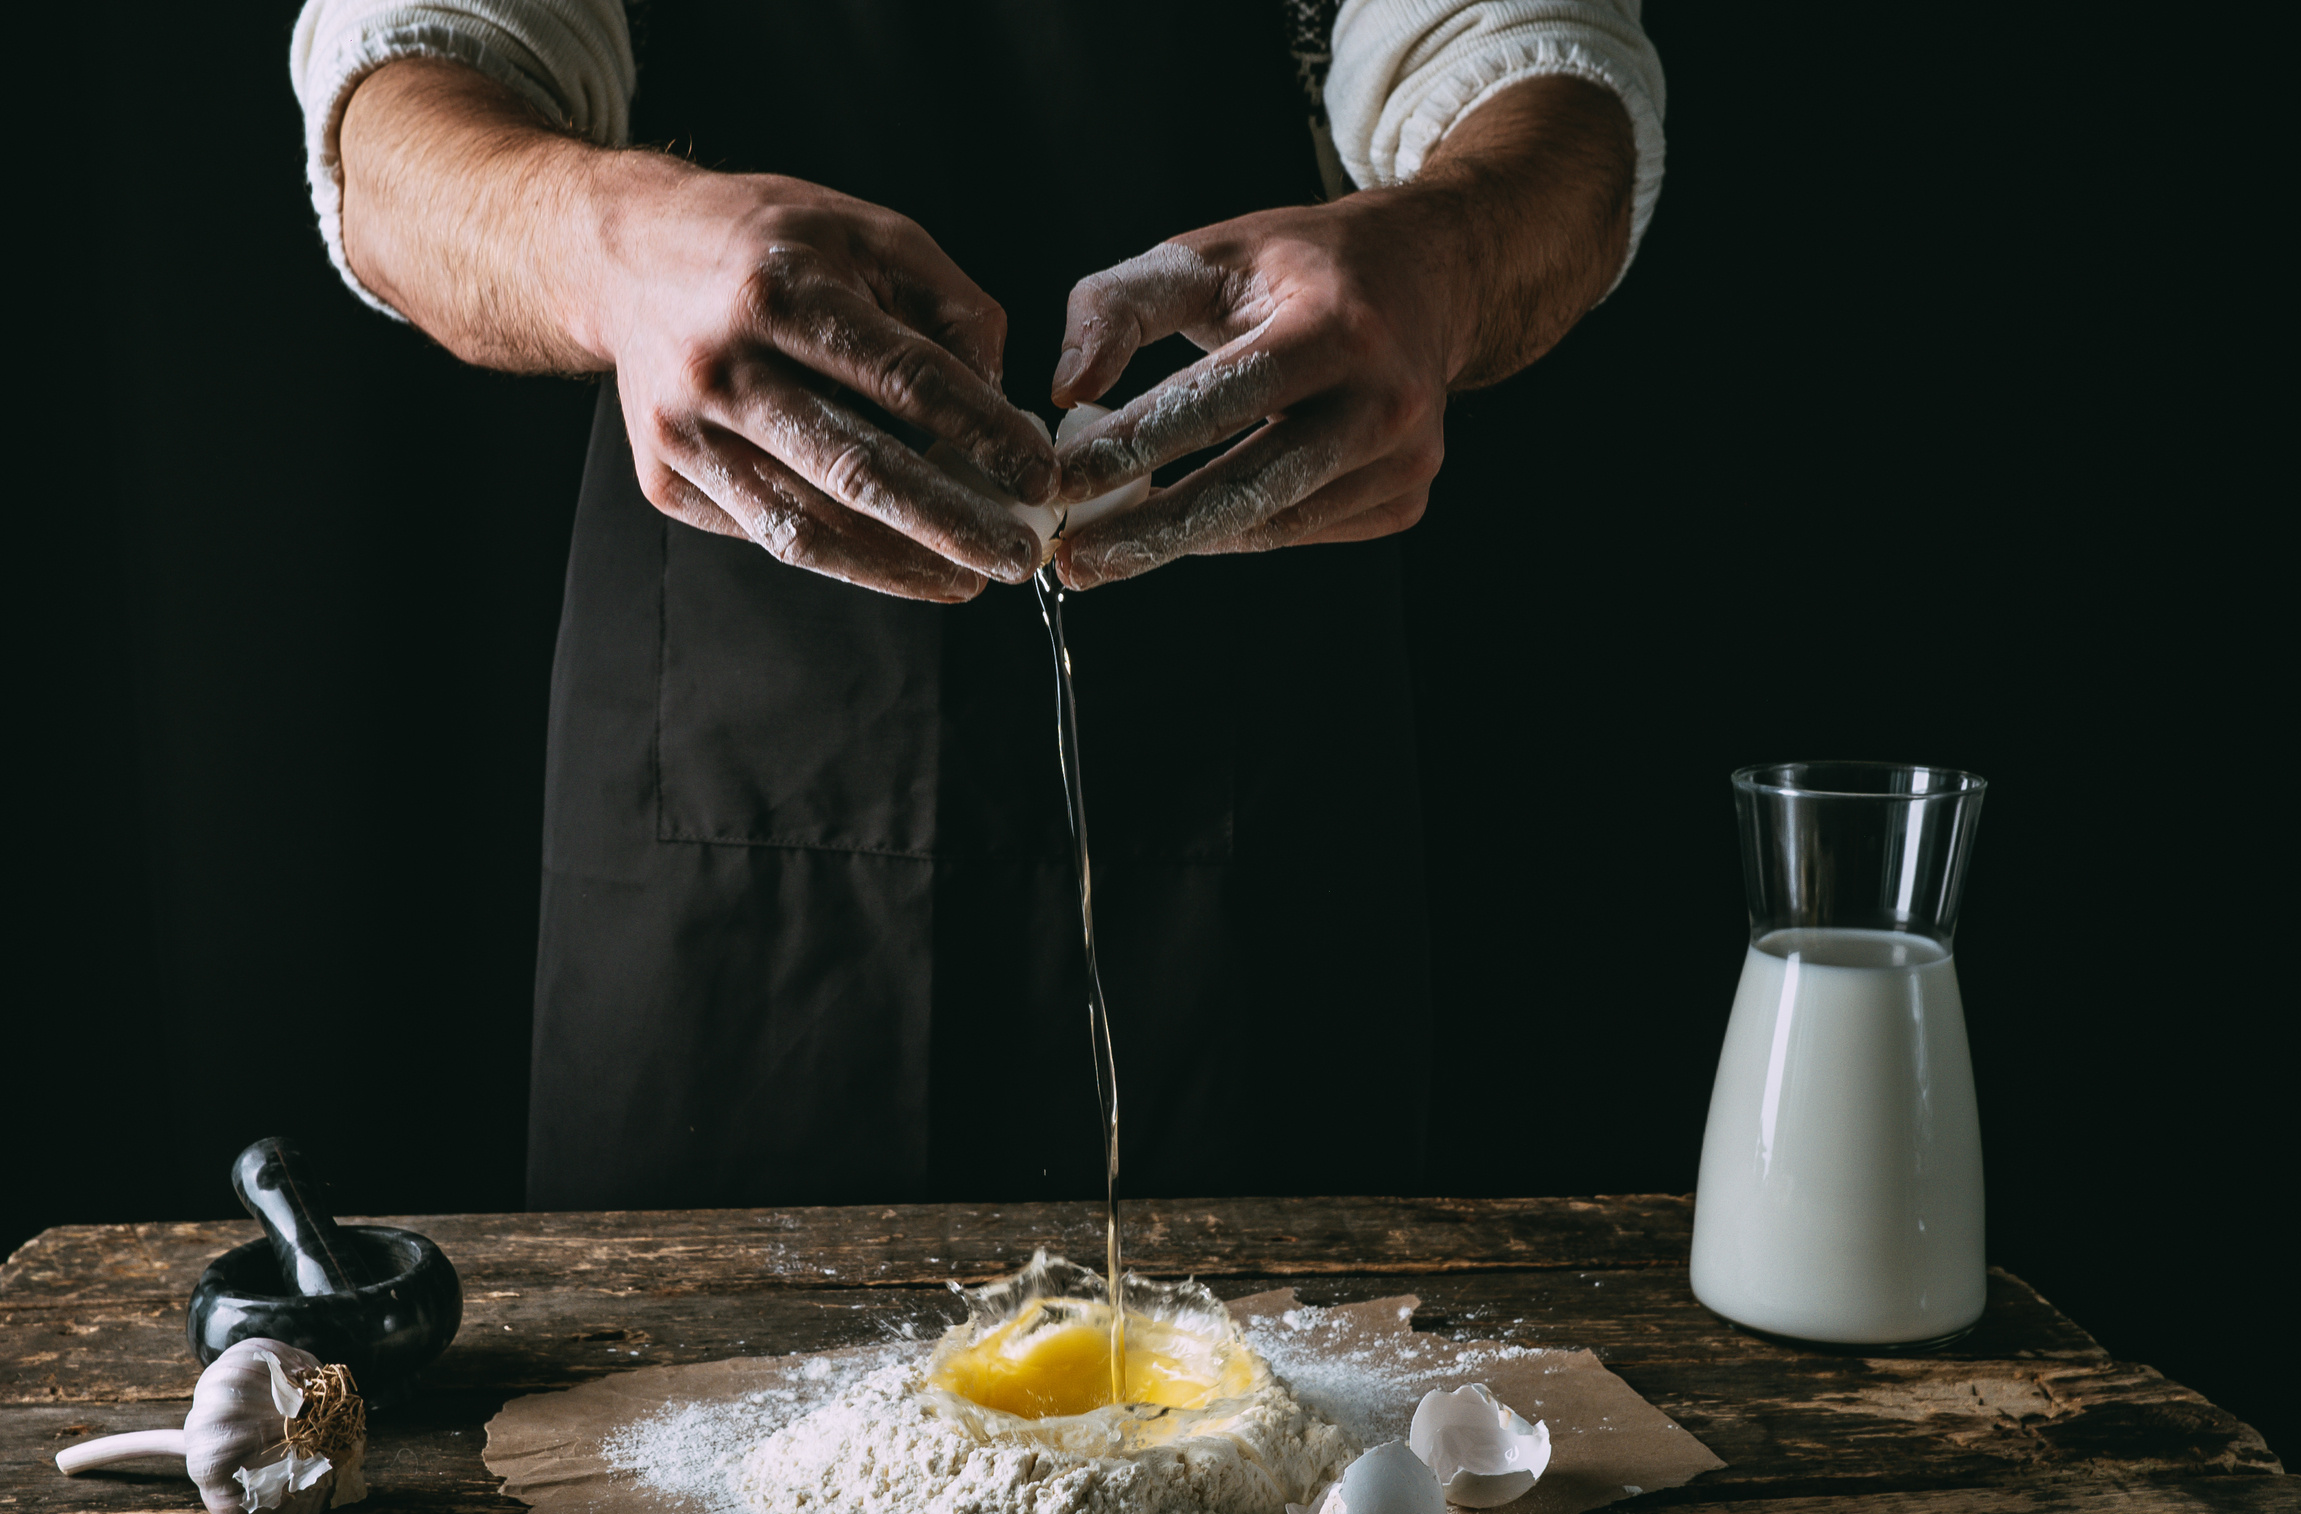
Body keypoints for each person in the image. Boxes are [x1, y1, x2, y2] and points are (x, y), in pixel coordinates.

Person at [289, 1, 1664, 1211]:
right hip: (725, 766)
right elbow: (396, 119)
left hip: (1247, 760)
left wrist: (1448, 255)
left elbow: (1550, 83)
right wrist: (610, 244)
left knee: (1276, 1441)